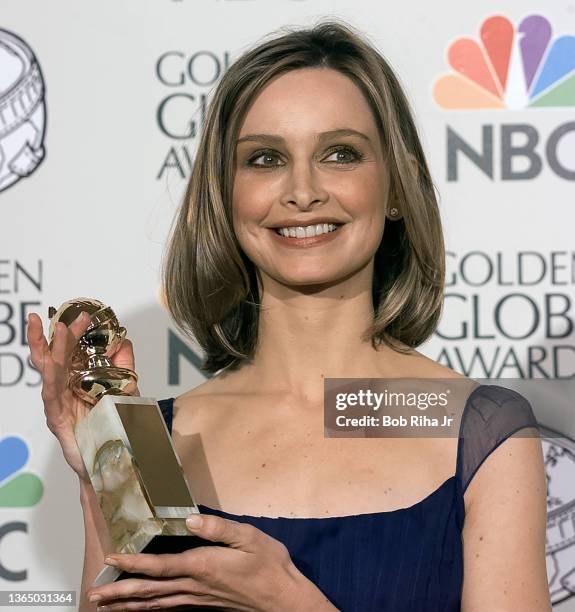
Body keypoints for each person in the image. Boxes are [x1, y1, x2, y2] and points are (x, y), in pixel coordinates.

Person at [27, 18, 551, 612]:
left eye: (341, 153)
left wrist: (290, 603)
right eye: (265, 159)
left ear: (396, 187)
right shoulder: (153, 443)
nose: (302, 191)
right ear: (225, 196)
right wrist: (104, 467)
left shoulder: (477, 431)